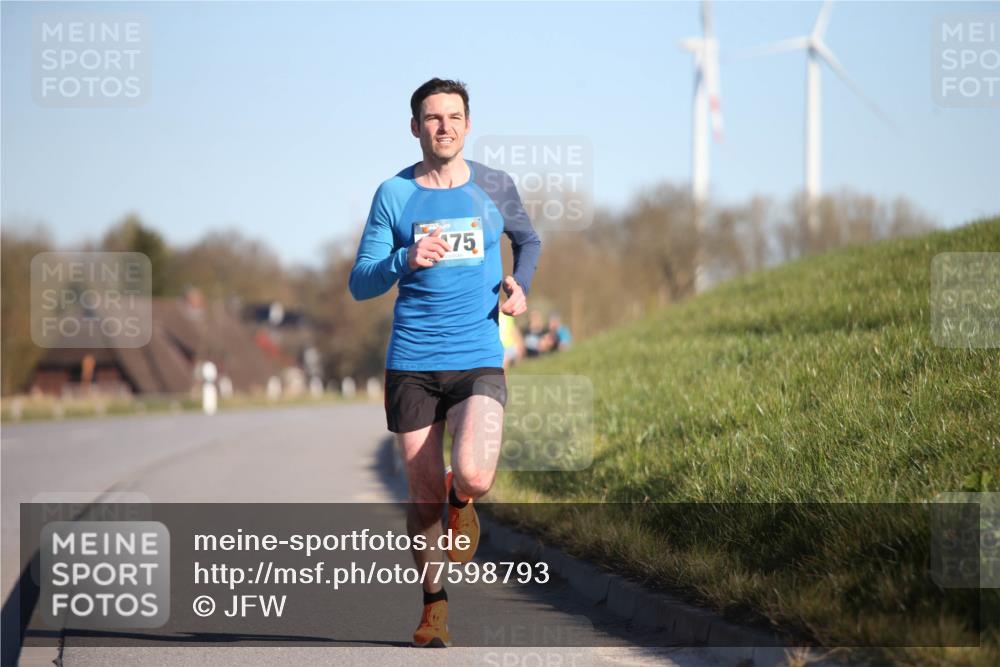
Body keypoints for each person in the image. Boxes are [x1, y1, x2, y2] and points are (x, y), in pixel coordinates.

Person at [348, 78, 541, 648]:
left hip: (478, 352)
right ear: (415, 127)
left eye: (454, 116)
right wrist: (404, 258)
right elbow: (361, 281)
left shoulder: (495, 186)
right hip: (412, 360)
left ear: (468, 123)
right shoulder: (393, 194)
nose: (444, 126)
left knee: (475, 473)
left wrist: (518, 285)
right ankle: (434, 608)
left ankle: (465, 500)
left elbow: (529, 241)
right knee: (422, 491)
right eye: (432, 118)